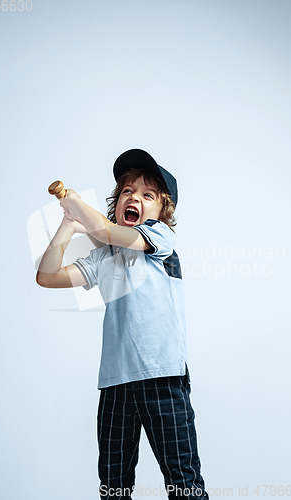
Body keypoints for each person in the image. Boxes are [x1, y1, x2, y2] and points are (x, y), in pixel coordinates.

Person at [36, 149, 209, 499]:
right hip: (116, 384)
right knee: (114, 487)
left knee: (184, 485)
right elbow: (46, 276)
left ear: (163, 211)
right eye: (127, 191)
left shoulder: (159, 239)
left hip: (161, 376)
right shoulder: (105, 257)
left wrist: (72, 199)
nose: (135, 197)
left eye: (148, 195)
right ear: (117, 203)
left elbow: (107, 230)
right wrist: (69, 223)